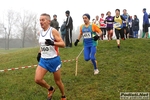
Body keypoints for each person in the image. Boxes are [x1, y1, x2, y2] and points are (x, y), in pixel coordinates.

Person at [35, 13, 66, 100]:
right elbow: (42, 44)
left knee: (58, 81)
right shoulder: (40, 32)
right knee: (37, 79)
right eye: (40, 20)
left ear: (49, 21)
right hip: (44, 60)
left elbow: (63, 44)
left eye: (43, 20)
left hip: (54, 60)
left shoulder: (53, 31)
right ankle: (50, 89)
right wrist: (39, 53)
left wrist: (53, 43)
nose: (41, 22)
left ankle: (63, 96)